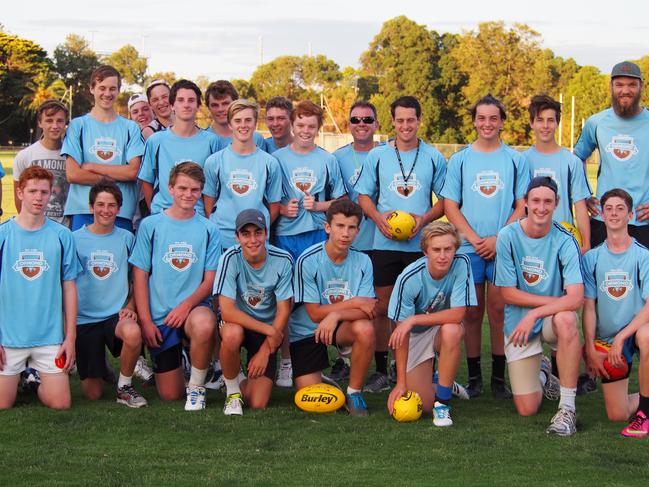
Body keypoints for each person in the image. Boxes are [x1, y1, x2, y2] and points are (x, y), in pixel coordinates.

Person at [356, 95, 446, 393]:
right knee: (383, 309)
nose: (406, 125)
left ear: (419, 121)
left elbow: (445, 201)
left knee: (424, 309)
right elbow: (364, 197)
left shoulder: (433, 156)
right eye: (400, 120)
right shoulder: (378, 156)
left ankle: (424, 367)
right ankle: (383, 370)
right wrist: (379, 219)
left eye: (411, 120)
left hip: (419, 245)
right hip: (384, 244)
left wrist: (424, 220)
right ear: (392, 122)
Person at [441, 94, 530, 399]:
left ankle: (499, 378)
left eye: (494, 118)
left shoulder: (516, 160)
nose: (487, 123)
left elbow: (522, 204)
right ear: (475, 121)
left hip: (503, 245)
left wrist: (498, 238)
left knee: (499, 309)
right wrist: (475, 239)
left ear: (502, 121)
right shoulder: (461, 159)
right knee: (472, 311)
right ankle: (475, 376)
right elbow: (450, 205)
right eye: (481, 118)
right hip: (469, 246)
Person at [495, 176, 584, 436]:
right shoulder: (508, 236)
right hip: (519, 324)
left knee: (567, 319)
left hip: (549, 320)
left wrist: (536, 312)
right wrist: (555, 302)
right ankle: (544, 374)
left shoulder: (566, 240)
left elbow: (576, 298)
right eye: (536, 201)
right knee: (527, 408)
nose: (541, 208)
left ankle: (567, 408)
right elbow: (508, 294)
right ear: (526, 203)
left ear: (556, 204)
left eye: (548, 201)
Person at [130, 162, 221, 411]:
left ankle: (197, 388)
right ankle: (183, 356)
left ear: (201, 191)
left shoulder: (209, 229)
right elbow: (140, 276)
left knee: (204, 324)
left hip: (193, 308)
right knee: (170, 395)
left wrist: (186, 306)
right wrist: (146, 322)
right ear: (170, 188)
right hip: (160, 316)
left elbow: (210, 279)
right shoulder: (151, 225)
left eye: (194, 190)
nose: (188, 194)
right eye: (182, 188)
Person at [273, 100, 347, 387]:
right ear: (293, 125)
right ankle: (287, 362)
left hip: (317, 237)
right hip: (286, 238)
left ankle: (318, 360)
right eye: (300, 125)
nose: (305, 130)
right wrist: (282, 209)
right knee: (287, 301)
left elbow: (341, 201)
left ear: (319, 128)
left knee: (317, 299)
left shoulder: (327, 160)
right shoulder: (278, 158)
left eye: (311, 126)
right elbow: (269, 201)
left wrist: (318, 206)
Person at [0, 166, 81, 409]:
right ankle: (19, 375)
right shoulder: (3, 234)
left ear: (51, 195)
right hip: (9, 337)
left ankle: (32, 380)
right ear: (20, 192)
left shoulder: (62, 235)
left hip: (49, 337)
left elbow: (69, 287)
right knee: (3, 404)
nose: (38, 197)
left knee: (61, 404)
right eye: (32, 191)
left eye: (44, 192)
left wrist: (70, 337)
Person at [289, 199, 376, 416]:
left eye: (351, 227)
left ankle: (354, 392)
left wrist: (337, 313)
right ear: (327, 227)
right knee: (310, 396)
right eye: (339, 226)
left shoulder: (364, 261)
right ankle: (321, 377)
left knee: (364, 328)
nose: (345, 233)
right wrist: (353, 303)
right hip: (306, 331)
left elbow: (368, 310)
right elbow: (314, 313)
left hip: (340, 326)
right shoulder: (307, 261)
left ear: (357, 231)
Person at [387, 222, 476, 426]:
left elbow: (458, 314)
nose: (443, 255)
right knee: (423, 404)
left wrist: (414, 318)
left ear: (456, 249)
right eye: (436, 249)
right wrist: (401, 383)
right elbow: (402, 334)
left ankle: (442, 405)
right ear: (426, 251)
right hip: (413, 336)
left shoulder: (462, 263)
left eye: (448, 249)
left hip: (438, 326)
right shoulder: (409, 278)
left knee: (453, 331)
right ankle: (441, 381)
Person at [582, 188, 649, 438]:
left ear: (630, 214)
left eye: (620, 208)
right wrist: (589, 346)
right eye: (608, 208)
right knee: (617, 413)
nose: (614, 213)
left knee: (646, 336)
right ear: (600, 212)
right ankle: (644, 399)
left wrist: (623, 337)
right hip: (608, 341)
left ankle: (645, 414)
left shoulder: (643, 256)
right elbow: (588, 307)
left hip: (636, 331)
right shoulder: (592, 259)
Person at [73, 180, 147, 407]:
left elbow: (138, 280)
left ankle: (124, 387)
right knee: (93, 394)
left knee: (133, 333)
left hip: (115, 316)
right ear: (91, 206)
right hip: (84, 319)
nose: (106, 210)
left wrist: (132, 306)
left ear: (119, 208)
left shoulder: (127, 238)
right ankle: (100, 365)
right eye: (101, 204)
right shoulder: (73, 239)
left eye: (112, 205)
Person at [215, 209, 293, 415]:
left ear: (266, 234)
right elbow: (227, 312)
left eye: (258, 233)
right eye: (246, 234)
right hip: (238, 323)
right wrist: (270, 332)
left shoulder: (283, 259)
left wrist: (265, 351)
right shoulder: (229, 258)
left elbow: (284, 310)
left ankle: (237, 377)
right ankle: (232, 393)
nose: (253, 240)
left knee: (257, 403)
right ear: (237, 237)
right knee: (231, 335)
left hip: (267, 328)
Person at [329, 100, 380, 381]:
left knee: (383, 304)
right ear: (348, 124)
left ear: (377, 124)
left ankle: (387, 365)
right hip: (351, 241)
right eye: (356, 120)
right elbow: (337, 199)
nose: (361, 124)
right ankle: (344, 361)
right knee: (347, 300)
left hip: (384, 239)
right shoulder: (337, 158)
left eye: (367, 120)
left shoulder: (388, 154)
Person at [574, 61, 649, 248]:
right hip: (603, 218)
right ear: (611, 87)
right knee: (602, 276)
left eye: (632, 84)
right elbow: (577, 158)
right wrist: (584, 194)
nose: (626, 90)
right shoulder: (596, 122)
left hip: (642, 220)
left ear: (641, 86)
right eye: (620, 85)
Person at [62, 64, 144, 233]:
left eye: (112, 88)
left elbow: (132, 172)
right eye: (102, 88)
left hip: (120, 211)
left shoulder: (130, 128)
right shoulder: (78, 126)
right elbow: (73, 174)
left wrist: (91, 167)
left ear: (119, 91)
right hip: (83, 209)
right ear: (92, 89)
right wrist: (114, 177)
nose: (107, 94)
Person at [203, 99, 282, 250]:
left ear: (255, 123)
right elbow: (209, 206)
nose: (243, 125)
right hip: (223, 240)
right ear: (230, 124)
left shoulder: (270, 163)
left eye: (248, 120)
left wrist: (254, 232)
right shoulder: (214, 162)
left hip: (256, 243)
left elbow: (274, 206)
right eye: (237, 120)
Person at [138, 79, 220, 216]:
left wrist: (207, 216)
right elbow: (147, 180)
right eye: (180, 100)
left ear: (198, 106)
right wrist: (155, 211)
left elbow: (214, 185)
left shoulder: (211, 141)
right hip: (162, 215)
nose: (186, 105)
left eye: (191, 100)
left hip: (196, 216)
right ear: (172, 105)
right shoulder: (156, 141)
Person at [525, 94, 591, 253]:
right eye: (540, 120)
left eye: (550, 120)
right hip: (529, 241)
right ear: (532, 123)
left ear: (557, 123)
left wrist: (586, 243)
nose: (545, 126)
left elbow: (580, 207)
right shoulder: (522, 160)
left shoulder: (571, 161)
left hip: (562, 241)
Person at [13, 100, 70, 226]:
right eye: (49, 121)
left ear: (66, 123)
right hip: (35, 226)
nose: (55, 126)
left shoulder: (72, 156)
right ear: (40, 123)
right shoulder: (25, 156)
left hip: (65, 227)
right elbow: (18, 196)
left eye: (60, 121)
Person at [204, 80, 266, 150]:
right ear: (208, 107)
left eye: (225, 104)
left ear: (236, 103)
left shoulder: (256, 138)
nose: (220, 109)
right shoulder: (202, 139)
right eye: (215, 105)